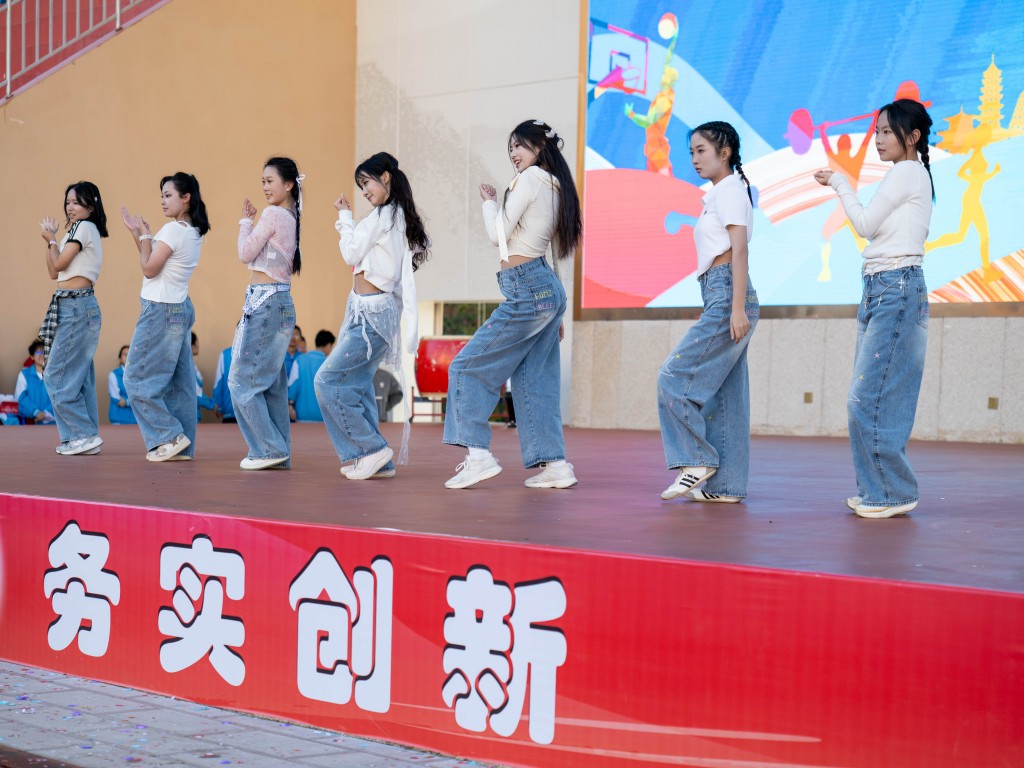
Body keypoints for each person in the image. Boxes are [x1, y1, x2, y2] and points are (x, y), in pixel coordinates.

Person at [443, 119, 581, 490]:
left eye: (519, 145)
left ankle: (478, 456)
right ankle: (556, 465)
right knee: (536, 382)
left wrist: (489, 204)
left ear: (540, 146)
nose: (513, 154)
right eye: (510, 148)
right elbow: (552, 254)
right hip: (545, 290)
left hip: (527, 288)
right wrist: (556, 310)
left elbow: (498, 235)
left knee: (466, 366)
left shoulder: (530, 178)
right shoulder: (555, 184)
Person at [814, 99, 935, 519]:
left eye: (887, 131)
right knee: (881, 397)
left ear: (913, 136)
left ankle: (890, 492)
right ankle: (880, 489)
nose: (879, 139)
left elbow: (865, 225)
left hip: (894, 288)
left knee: (867, 398)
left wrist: (840, 183)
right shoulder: (911, 174)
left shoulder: (906, 172)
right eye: (877, 131)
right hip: (885, 287)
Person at [658, 121, 759, 504]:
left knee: (672, 377)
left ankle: (695, 459)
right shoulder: (720, 193)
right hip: (722, 293)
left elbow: (740, 250)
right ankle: (727, 486)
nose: (695, 159)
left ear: (725, 151)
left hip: (728, 293)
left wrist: (736, 308)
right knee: (728, 398)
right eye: (692, 152)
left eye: (701, 150)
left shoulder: (730, 190)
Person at [315, 151, 429, 480]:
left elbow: (351, 252)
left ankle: (369, 450)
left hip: (371, 314)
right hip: (366, 310)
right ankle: (377, 459)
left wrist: (344, 218)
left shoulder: (386, 216)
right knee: (358, 386)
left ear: (386, 177)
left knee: (326, 382)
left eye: (366, 182)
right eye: (361, 185)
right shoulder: (393, 215)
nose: (364, 190)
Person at [121, 172, 209, 461]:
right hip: (178, 307)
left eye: (168, 195)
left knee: (135, 380)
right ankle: (182, 446)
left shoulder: (173, 230)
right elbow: (151, 258)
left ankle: (168, 436)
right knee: (180, 384)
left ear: (186, 198)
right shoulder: (191, 231)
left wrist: (146, 235)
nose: (162, 200)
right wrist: (140, 234)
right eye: (161, 195)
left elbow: (149, 268)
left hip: (160, 308)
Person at [229, 156, 301, 470]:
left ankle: (269, 449)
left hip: (265, 301)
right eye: (263, 182)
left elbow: (245, 253)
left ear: (289, 184)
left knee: (241, 382)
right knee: (272, 386)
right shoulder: (293, 216)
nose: (265, 187)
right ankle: (278, 452)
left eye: (270, 181)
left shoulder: (272, 213)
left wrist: (245, 223)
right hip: (281, 302)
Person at [38, 181, 108, 455]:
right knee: (80, 378)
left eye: (76, 202)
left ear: (91, 205)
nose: (70, 207)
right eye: (68, 202)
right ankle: (81, 438)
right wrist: (51, 241)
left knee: (55, 375)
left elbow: (58, 263)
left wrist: (52, 240)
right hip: (77, 305)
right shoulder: (76, 231)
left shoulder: (84, 227)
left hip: (76, 306)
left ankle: (83, 434)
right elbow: (53, 273)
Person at [287, 329, 334, 422]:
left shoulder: (299, 360)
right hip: (324, 417)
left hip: (302, 415)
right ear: (328, 345)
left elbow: (293, 387)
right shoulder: (330, 364)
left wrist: (290, 405)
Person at [16, 340, 55, 424]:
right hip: (32, 422)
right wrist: (36, 412)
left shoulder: (56, 375)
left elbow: (60, 397)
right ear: (32, 356)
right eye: (38, 352)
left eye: (45, 352)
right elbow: (21, 397)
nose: (42, 355)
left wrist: (46, 413)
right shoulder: (24, 374)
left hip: (53, 423)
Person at [107, 344, 137, 424]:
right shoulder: (113, 375)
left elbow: (143, 398)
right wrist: (134, 402)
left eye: (130, 354)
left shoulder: (138, 376)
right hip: (118, 419)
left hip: (136, 421)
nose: (127, 357)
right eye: (125, 354)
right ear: (120, 358)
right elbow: (118, 400)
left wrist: (126, 402)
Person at [192, 332, 217, 422]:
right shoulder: (188, 368)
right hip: (191, 418)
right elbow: (197, 393)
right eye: (197, 342)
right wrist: (212, 406)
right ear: (191, 346)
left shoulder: (189, 366)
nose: (198, 346)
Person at [212, 345, 236, 423]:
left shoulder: (225, 354)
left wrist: (218, 405)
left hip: (230, 412)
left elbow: (219, 382)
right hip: (251, 414)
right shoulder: (257, 353)